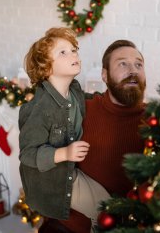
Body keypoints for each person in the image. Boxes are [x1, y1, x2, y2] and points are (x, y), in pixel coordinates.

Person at [18, 27, 110, 233]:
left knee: (109, 206)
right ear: (46, 67)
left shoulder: (74, 90)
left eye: (74, 49)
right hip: (55, 179)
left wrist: (109, 97)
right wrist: (65, 153)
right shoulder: (41, 109)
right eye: (63, 52)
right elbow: (28, 154)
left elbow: (90, 100)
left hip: (70, 169)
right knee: (105, 210)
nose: (74, 54)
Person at [57, 40, 147, 232]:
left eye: (138, 64)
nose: (133, 70)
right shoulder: (82, 111)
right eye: (123, 63)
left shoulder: (158, 123)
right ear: (105, 76)